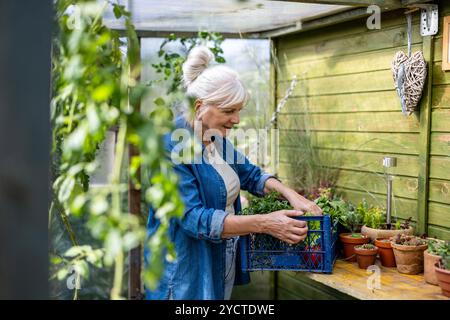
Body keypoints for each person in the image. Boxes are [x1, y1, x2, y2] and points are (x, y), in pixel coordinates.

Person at [145, 46, 322, 300]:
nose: (237, 119)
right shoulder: (170, 148)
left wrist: (291, 194)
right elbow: (194, 219)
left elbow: (251, 175)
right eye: (229, 111)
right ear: (199, 107)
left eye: (239, 110)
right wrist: (265, 223)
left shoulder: (215, 139)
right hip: (185, 274)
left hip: (221, 260)